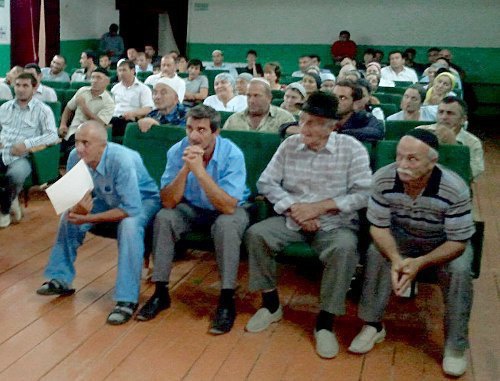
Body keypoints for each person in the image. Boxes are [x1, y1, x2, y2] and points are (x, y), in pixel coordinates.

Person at [245, 91, 372, 359]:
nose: (304, 127)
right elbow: (266, 183)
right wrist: (295, 208)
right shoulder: (290, 145)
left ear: (332, 126)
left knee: (345, 249)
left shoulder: (352, 149)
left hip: (334, 223)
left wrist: (321, 207)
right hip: (292, 219)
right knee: (257, 235)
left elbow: (363, 194)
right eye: (303, 120)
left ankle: (325, 322)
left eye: (313, 122)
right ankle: (271, 305)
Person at [349, 129, 475, 378]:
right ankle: (373, 325)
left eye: (412, 159)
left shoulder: (455, 188)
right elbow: (379, 227)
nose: (402, 164)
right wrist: (397, 258)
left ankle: (455, 346)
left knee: (459, 271)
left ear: (432, 161)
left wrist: (421, 262)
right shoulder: (383, 179)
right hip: (401, 237)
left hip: (443, 242)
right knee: (377, 254)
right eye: (399, 156)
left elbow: (459, 242)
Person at [135, 105, 250, 334]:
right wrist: (186, 170)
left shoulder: (232, 154)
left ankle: (227, 299)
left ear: (215, 132)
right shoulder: (177, 151)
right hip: (193, 208)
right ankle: (161, 292)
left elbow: (227, 205)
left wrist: (200, 172)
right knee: (164, 217)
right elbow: (168, 201)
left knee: (227, 225)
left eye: (201, 130)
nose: (194, 136)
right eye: (189, 128)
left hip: (228, 209)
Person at [37, 121, 160, 325]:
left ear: (103, 145)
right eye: (77, 142)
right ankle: (60, 278)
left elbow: (130, 209)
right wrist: (77, 211)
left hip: (142, 200)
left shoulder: (123, 160)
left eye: (86, 143)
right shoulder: (75, 157)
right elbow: (72, 199)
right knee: (67, 219)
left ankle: (126, 299)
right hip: (105, 198)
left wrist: (87, 218)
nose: (79, 148)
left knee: (129, 227)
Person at [0, 73, 58, 227]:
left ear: (34, 88)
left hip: (24, 156)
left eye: (25, 86)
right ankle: (11, 200)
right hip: (2, 151)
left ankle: (4, 212)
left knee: (15, 175)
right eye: (17, 85)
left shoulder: (43, 110)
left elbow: (52, 135)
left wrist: (27, 143)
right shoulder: (5, 107)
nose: (20, 89)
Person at [417, 96, 484, 180]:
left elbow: (470, 174)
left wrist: (453, 145)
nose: (444, 117)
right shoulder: (420, 131)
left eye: (450, 113)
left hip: (454, 187)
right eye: (440, 112)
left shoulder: (473, 143)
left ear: (463, 119)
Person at [59, 68, 115, 162]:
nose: (94, 80)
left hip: (88, 137)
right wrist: (63, 124)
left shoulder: (109, 102)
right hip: (71, 132)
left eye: (99, 78)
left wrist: (84, 107)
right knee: (47, 149)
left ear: (107, 81)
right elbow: (68, 108)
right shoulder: (82, 91)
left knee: (72, 153)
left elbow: (99, 124)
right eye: (93, 77)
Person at [223, 78, 295, 132]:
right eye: (249, 96)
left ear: (269, 97)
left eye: (256, 96)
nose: (251, 100)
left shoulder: (285, 119)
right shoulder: (233, 121)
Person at [109, 60, 154, 138]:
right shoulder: (115, 88)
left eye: (124, 70)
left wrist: (133, 113)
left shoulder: (143, 89)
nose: (121, 73)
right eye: (119, 70)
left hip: (130, 120)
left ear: (133, 71)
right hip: (114, 118)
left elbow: (148, 109)